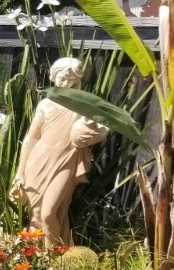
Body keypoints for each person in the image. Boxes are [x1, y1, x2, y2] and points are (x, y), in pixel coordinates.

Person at [10, 57, 107, 247]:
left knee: (48, 213)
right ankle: (39, 255)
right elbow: (31, 138)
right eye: (63, 78)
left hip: (65, 163)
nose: (66, 84)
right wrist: (20, 172)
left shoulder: (81, 105)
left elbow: (100, 128)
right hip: (38, 162)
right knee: (37, 214)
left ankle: (52, 258)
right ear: (54, 77)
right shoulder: (45, 105)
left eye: (72, 80)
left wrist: (93, 127)